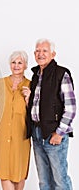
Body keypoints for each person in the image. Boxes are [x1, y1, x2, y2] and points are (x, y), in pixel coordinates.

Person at [26, 38, 76, 190]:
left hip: (54, 134)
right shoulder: (35, 76)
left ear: (53, 54)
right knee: (44, 181)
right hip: (37, 133)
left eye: (44, 51)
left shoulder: (62, 73)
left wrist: (59, 133)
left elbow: (71, 107)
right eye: (38, 51)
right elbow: (39, 105)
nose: (40, 54)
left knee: (60, 181)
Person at [0, 51, 31, 190]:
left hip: (21, 138)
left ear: (25, 65)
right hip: (1, 136)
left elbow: (36, 115)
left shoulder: (31, 85)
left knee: (19, 174)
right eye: (14, 62)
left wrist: (28, 100)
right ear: (10, 65)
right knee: (4, 173)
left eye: (20, 62)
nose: (16, 65)